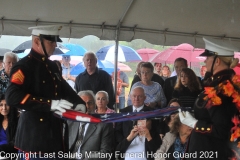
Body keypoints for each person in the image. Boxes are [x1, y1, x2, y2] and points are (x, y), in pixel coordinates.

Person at [5, 25, 86, 156]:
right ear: (37, 41)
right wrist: (51, 104)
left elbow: (63, 87)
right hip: (33, 139)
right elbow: (12, 96)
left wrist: (78, 102)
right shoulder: (23, 66)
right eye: (51, 42)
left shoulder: (53, 66)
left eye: (55, 42)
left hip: (54, 135)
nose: (55, 45)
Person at [178, 37, 240, 159]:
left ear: (217, 61)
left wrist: (195, 123)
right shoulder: (225, 84)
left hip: (211, 151)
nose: (204, 62)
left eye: (207, 58)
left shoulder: (222, 89)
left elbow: (223, 129)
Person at [115, 86, 161, 160]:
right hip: (127, 148)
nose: (136, 99)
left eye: (140, 96)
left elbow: (156, 135)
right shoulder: (123, 112)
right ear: (130, 97)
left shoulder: (152, 113)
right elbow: (117, 132)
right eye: (134, 96)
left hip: (145, 150)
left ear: (145, 98)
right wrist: (125, 141)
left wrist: (149, 129)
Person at [68, 90, 114, 160]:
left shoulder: (104, 124)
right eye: (83, 103)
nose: (87, 106)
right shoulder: (70, 121)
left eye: (90, 103)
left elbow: (105, 153)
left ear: (95, 105)